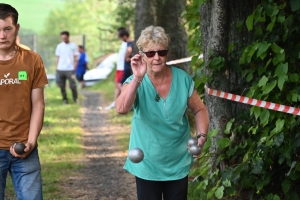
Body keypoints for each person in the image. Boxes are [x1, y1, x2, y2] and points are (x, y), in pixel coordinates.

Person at [116, 26, 209, 200]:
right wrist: (137, 78)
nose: (157, 58)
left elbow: (200, 109)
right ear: (142, 54)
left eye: (162, 52)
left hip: (178, 159)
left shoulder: (183, 79)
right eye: (150, 53)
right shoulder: (134, 81)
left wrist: (201, 136)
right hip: (147, 161)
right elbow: (121, 109)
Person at [0, 4, 48, 199]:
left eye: (7, 29)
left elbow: (38, 104)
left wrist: (31, 141)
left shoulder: (32, 60)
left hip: (24, 147)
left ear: (17, 29)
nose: (2, 35)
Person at [105, 27, 127, 110]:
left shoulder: (128, 44)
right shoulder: (123, 44)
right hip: (119, 68)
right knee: (116, 85)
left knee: (120, 85)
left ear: (124, 36)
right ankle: (115, 102)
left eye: (119, 36)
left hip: (122, 68)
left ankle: (126, 102)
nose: (119, 38)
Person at [55, 31, 79, 104]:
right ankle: (65, 99)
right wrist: (57, 67)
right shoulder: (59, 46)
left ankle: (75, 99)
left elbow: (76, 57)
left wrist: (74, 67)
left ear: (68, 37)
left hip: (70, 69)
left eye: (65, 38)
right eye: (62, 38)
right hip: (61, 69)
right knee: (62, 86)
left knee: (73, 85)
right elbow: (57, 57)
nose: (64, 39)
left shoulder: (73, 45)